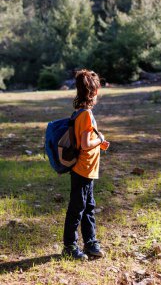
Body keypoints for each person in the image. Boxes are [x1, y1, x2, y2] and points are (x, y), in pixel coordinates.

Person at [62, 69, 110, 260]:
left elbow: (86, 139)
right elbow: (85, 144)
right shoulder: (87, 114)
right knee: (77, 208)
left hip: (86, 170)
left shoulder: (79, 112)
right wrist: (100, 140)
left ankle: (90, 243)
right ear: (94, 91)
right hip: (82, 169)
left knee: (88, 207)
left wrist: (99, 141)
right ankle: (69, 246)